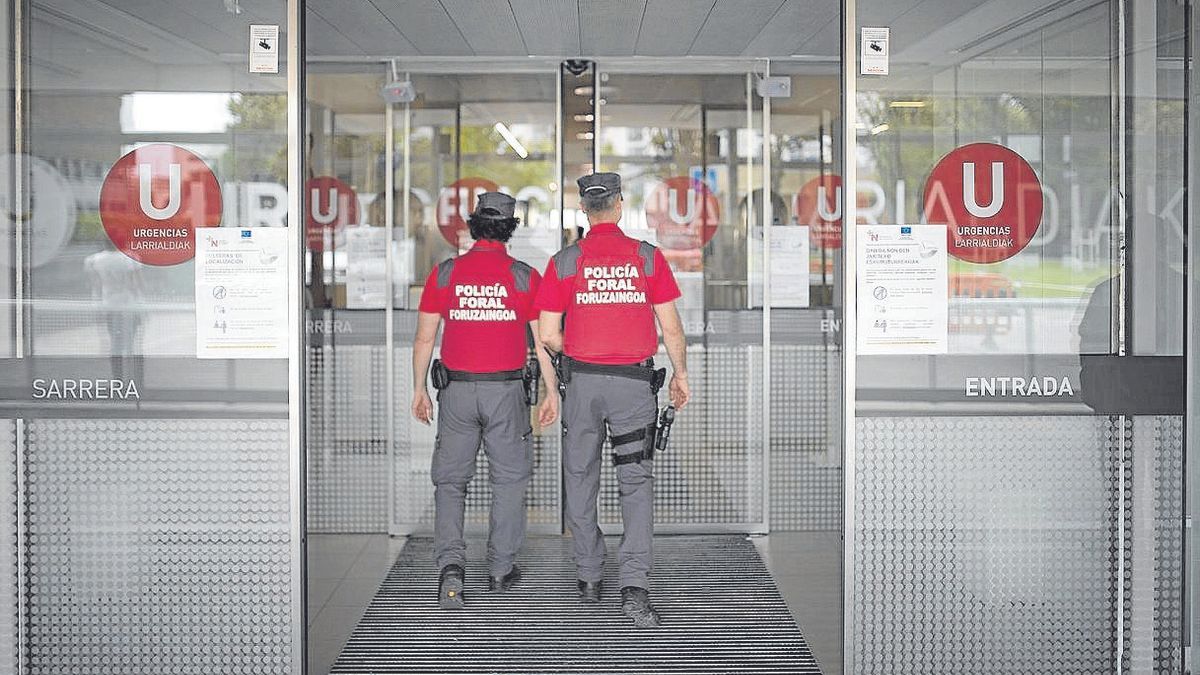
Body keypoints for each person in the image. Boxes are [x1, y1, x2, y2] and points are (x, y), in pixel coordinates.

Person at [534, 172, 691, 628]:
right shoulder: (647, 258)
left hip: (582, 386)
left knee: (580, 478)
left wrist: (580, 350)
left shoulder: (563, 261)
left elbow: (547, 335)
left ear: (584, 210)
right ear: (620, 206)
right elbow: (672, 328)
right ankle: (635, 590)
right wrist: (680, 374)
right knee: (635, 484)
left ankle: (588, 578)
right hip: (632, 388)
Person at [411, 191, 558, 609]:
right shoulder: (525, 276)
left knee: (450, 482)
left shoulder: (444, 274)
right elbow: (543, 341)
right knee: (509, 481)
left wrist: (419, 388)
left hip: (456, 392)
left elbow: (425, 339)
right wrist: (550, 391)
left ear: (473, 226)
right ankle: (500, 569)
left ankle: (451, 568)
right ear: (509, 229)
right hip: (506, 394)